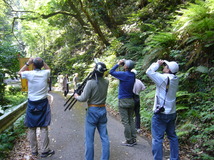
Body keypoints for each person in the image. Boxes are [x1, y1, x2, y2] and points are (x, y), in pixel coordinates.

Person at [18, 57, 55, 158]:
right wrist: (43, 61)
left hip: (32, 103)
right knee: (43, 126)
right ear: (42, 65)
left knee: (32, 127)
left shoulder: (29, 74)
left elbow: (19, 72)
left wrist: (27, 63)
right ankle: (45, 151)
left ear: (33, 65)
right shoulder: (45, 73)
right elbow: (49, 69)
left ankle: (34, 151)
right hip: (42, 102)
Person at [74, 62, 110, 160]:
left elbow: (83, 98)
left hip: (92, 110)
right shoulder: (106, 82)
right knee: (104, 138)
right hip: (102, 109)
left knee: (89, 139)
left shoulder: (90, 82)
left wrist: (76, 96)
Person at [146, 60, 179, 160]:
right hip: (172, 112)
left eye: (165, 66)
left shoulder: (163, 78)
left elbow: (149, 71)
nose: (163, 66)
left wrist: (157, 64)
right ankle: (174, 158)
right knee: (172, 137)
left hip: (161, 113)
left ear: (168, 69)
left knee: (157, 139)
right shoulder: (175, 78)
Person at [109, 59, 137, 147]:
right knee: (131, 120)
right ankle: (133, 138)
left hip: (123, 100)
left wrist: (118, 64)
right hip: (131, 100)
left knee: (125, 122)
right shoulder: (133, 75)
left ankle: (129, 141)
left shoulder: (124, 75)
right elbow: (125, 71)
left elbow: (111, 71)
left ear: (126, 66)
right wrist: (124, 65)